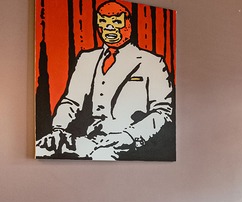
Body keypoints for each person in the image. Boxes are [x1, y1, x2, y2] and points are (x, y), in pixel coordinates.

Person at [36, 0, 174, 160]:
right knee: (41, 151)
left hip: (127, 144)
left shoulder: (152, 62)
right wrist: (58, 130)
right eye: (103, 22)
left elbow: (163, 112)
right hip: (85, 140)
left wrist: (129, 136)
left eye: (116, 22)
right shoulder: (86, 58)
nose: (109, 28)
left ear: (128, 25)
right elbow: (71, 101)